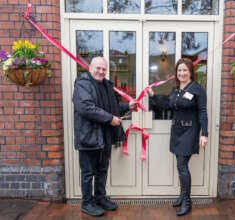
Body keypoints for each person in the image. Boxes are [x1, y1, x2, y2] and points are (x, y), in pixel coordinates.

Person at [73, 57, 136, 217]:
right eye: (98, 68)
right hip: (89, 136)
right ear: (90, 68)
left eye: (104, 69)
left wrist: (127, 106)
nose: (101, 71)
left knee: (102, 170)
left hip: (105, 135)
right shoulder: (82, 83)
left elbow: (111, 107)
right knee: (88, 173)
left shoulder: (106, 85)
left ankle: (100, 198)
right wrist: (110, 119)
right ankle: (87, 203)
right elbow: (86, 108)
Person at [147, 58, 208, 216]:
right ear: (176, 73)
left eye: (185, 70)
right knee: (181, 166)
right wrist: (153, 96)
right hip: (177, 131)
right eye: (179, 70)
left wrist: (204, 134)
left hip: (190, 131)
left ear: (190, 72)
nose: (182, 73)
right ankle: (182, 196)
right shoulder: (175, 89)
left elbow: (202, 112)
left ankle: (187, 202)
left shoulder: (197, 89)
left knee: (182, 166)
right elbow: (168, 105)